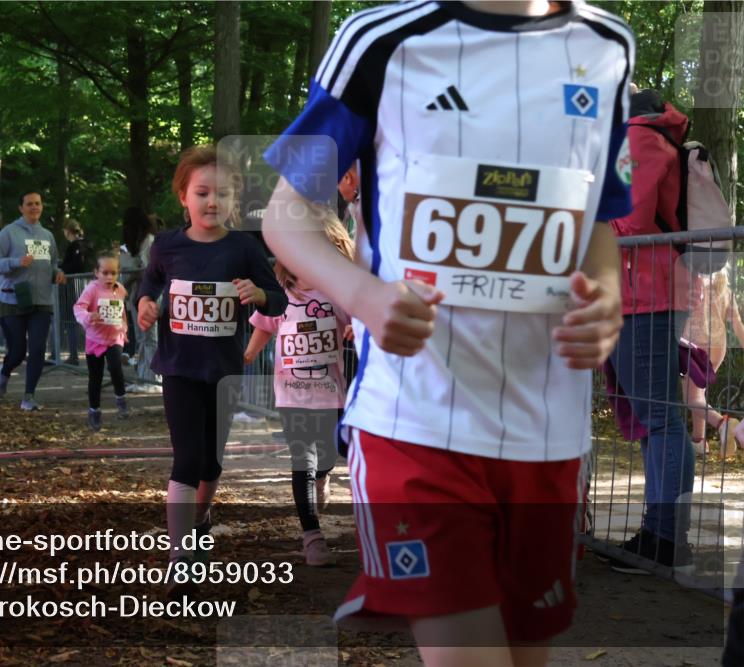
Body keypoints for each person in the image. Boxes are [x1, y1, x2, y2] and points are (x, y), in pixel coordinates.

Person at [261, 1, 633, 663]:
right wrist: (363, 294)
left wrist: (606, 296)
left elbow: (598, 214)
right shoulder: (378, 41)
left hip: (549, 434)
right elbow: (286, 213)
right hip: (417, 424)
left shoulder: (608, 45)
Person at [138, 145, 286, 595]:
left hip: (222, 372)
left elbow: (277, 297)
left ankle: (202, 521)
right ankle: (181, 558)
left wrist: (258, 296)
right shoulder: (167, 245)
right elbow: (148, 285)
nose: (212, 202)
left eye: (222, 194)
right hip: (180, 367)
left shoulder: (243, 246)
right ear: (183, 196)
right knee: (187, 460)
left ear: (234, 201)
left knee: (212, 463)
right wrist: (144, 305)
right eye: (202, 192)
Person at [603, 87, 699, 574]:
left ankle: (665, 538)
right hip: (636, 292)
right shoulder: (637, 137)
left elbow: (629, 222)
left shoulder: (638, 139)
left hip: (646, 294)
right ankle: (659, 532)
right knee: (653, 418)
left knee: (660, 419)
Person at [244, 213, 354, 566]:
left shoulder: (339, 292)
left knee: (326, 455)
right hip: (292, 395)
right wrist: (245, 357)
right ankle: (312, 536)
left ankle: (323, 477)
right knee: (302, 460)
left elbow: (362, 321)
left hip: (331, 392)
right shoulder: (279, 295)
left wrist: (360, 329)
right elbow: (263, 328)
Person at [0, 191, 66, 411]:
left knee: (38, 348)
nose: (34, 207)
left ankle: (29, 396)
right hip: (13, 299)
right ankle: (4, 373)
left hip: (42, 300)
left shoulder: (47, 236)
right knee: (18, 351)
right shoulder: (9, 233)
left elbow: (52, 263)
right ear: (21, 208)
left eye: (38, 203)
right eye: (29, 204)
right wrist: (15, 262)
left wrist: (57, 273)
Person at [684, 267, 744, 457]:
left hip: (694, 345)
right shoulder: (725, 290)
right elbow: (737, 324)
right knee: (698, 394)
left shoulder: (692, 284)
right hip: (718, 347)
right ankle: (698, 441)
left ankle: (722, 424)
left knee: (691, 398)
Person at [74, 252, 130, 431]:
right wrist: (89, 316)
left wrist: (124, 328)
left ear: (118, 273)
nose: (109, 277)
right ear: (96, 272)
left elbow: (121, 311)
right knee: (95, 377)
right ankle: (94, 411)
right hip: (95, 339)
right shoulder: (92, 289)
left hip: (115, 338)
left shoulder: (120, 289)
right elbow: (78, 307)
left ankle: (121, 399)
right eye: (105, 272)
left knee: (115, 367)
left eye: (113, 273)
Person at [121, 207, 159, 388]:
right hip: (139, 295)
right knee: (143, 338)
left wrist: (131, 275)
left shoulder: (148, 242)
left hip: (149, 296)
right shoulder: (142, 243)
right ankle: (144, 377)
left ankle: (152, 378)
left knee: (150, 338)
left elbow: (149, 271)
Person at [60, 219, 90, 366]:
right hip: (84, 286)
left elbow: (76, 265)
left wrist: (60, 268)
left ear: (68, 231)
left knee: (71, 320)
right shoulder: (86, 244)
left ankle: (74, 354)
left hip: (73, 287)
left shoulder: (75, 245)